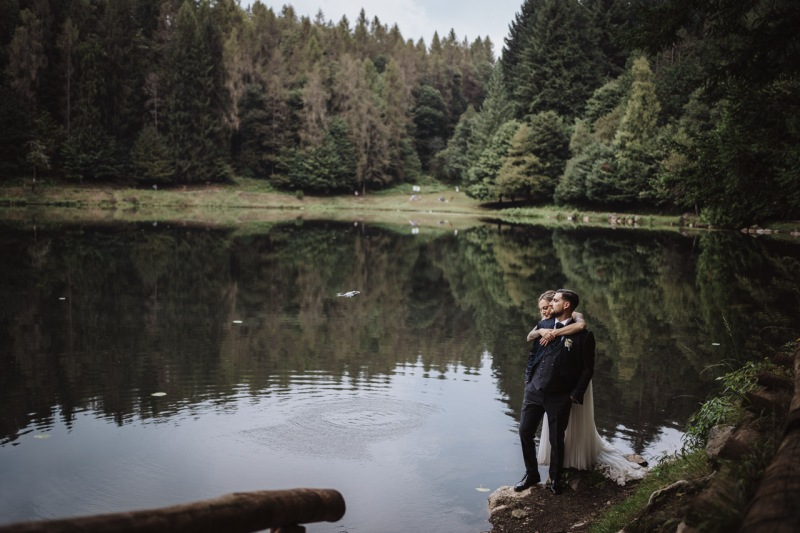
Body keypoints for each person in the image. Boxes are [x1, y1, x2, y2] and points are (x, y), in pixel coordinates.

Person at [515, 289, 595, 495]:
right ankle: (531, 474)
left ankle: (556, 478)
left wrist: (574, 394)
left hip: (560, 395)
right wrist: (528, 380)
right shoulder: (543, 325)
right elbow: (533, 354)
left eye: (556, 302)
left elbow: (587, 369)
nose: (551, 306)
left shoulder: (583, 335)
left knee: (556, 438)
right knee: (524, 432)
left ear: (566, 305)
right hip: (534, 390)